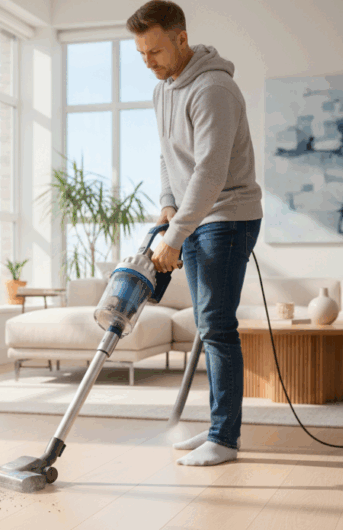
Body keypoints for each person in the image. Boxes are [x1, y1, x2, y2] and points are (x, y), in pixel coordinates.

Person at [128, 1, 263, 466]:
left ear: (182, 40)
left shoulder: (213, 89)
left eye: (156, 51)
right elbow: (168, 157)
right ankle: (215, 430)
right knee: (208, 328)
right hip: (192, 215)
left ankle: (225, 439)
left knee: (218, 328)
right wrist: (169, 209)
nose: (148, 62)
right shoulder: (162, 89)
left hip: (227, 215)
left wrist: (175, 236)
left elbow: (209, 172)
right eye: (142, 53)